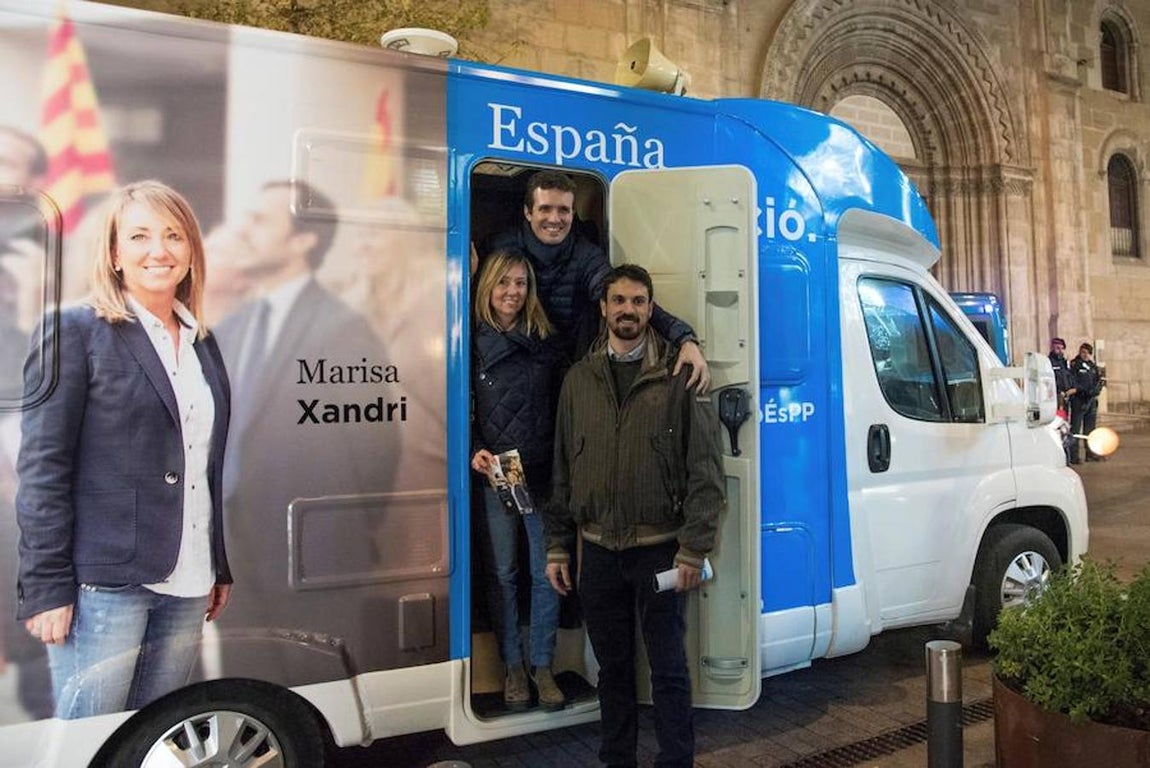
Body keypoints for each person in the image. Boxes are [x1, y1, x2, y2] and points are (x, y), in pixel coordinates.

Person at [15, 180, 232, 719]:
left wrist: (217, 564)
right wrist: (46, 588)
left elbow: (203, 464)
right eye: (139, 236)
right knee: (91, 743)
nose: (159, 250)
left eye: (174, 235)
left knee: (154, 736)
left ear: (191, 251)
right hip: (103, 587)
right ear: (114, 253)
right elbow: (43, 469)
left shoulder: (203, 341)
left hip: (189, 580)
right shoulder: (74, 330)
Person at [212, 180, 403, 683]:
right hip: (236, 559)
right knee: (249, 688)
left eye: (260, 221)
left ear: (303, 240)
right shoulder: (231, 330)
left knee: (316, 688)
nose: (244, 231)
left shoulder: (342, 328)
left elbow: (377, 448)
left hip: (314, 554)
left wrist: (345, 529)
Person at [545, 264, 725, 768]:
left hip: (661, 553)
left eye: (639, 301)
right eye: (619, 301)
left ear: (650, 309)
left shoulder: (680, 376)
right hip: (598, 554)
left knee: (668, 669)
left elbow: (705, 471)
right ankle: (617, 759)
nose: (628, 310)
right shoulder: (578, 380)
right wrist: (558, 545)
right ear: (603, 308)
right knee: (613, 671)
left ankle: (676, 761)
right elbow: (563, 470)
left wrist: (693, 549)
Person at [483, 170, 711, 392]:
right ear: (528, 212)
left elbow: (622, 298)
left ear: (573, 213)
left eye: (563, 210)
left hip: (564, 372)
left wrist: (684, 339)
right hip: (506, 369)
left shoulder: (585, 256)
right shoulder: (500, 249)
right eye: (545, 209)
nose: (554, 219)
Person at [470, 250, 565, 711]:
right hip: (500, 468)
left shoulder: (546, 339)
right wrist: (473, 446)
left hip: (541, 467)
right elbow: (458, 404)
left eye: (521, 283)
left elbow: (563, 405)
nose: (513, 291)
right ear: (487, 286)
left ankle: (542, 666)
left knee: (546, 572)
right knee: (503, 573)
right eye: (503, 282)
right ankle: (512, 666)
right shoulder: (469, 341)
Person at [1069, 342, 1105, 463]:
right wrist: (1083, 391)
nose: (1084, 354)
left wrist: (1094, 391)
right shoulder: (1075, 365)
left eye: (1086, 352)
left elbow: (1098, 381)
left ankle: (1090, 454)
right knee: (1075, 429)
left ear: (1090, 354)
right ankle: (1074, 456)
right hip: (1079, 400)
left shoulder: (1092, 367)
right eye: (1082, 352)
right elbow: (1073, 382)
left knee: (1090, 430)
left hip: (1091, 401)